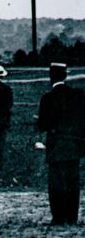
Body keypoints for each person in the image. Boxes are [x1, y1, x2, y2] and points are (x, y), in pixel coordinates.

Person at [36, 62, 83, 225]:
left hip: (56, 145)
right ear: (65, 76)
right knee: (73, 182)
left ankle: (58, 217)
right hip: (74, 145)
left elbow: (43, 124)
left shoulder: (47, 98)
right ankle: (72, 217)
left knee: (56, 182)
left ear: (51, 77)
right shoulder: (78, 95)